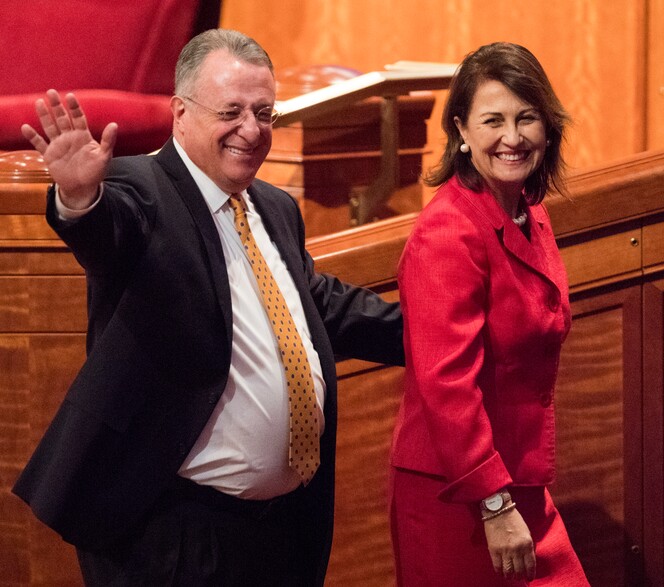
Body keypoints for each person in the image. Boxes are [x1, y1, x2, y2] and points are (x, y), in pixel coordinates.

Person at [12, 29, 403, 586]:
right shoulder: (138, 187)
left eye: (264, 113)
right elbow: (105, 234)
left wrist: (437, 336)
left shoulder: (274, 206)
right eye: (232, 111)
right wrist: (79, 200)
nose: (252, 130)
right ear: (180, 112)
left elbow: (319, 305)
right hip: (176, 540)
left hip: (283, 533)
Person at [389, 42, 589, 586]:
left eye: (527, 118)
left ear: (548, 128)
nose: (512, 137)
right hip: (462, 494)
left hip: (519, 480)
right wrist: (495, 504)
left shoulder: (530, 211)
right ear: (461, 131)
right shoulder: (446, 233)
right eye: (493, 120)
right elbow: (445, 382)